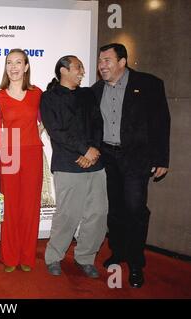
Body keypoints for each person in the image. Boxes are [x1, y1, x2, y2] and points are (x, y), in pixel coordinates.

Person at [91, 43, 170, 288]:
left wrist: (161, 159)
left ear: (122, 61)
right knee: (114, 210)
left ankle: (136, 262)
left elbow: (161, 123)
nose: (102, 65)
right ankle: (119, 252)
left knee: (135, 209)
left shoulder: (149, 84)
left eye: (107, 60)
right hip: (108, 157)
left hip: (136, 158)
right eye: (100, 61)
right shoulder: (95, 90)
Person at [41, 55, 107, 278]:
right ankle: (54, 256)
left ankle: (85, 258)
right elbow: (56, 131)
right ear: (63, 70)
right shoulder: (48, 97)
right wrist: (83, 150)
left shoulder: (88, 94)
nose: (82, 71)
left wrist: (93, 150)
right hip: (68, 165)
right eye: (78, 67)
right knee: (68, 215)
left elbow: (98, 124)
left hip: (95, 164)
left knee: (98, 213)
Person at [0, 48, 43, 272]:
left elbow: (43, 120)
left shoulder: (37, 93)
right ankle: (10, 256)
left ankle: (26, 256)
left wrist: (37, 132)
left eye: (18, 62)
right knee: (10, 206)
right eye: (9, 63)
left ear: (26, 66)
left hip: (32, 151)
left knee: (30, 207)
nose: (13, 67)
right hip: (9, 150)